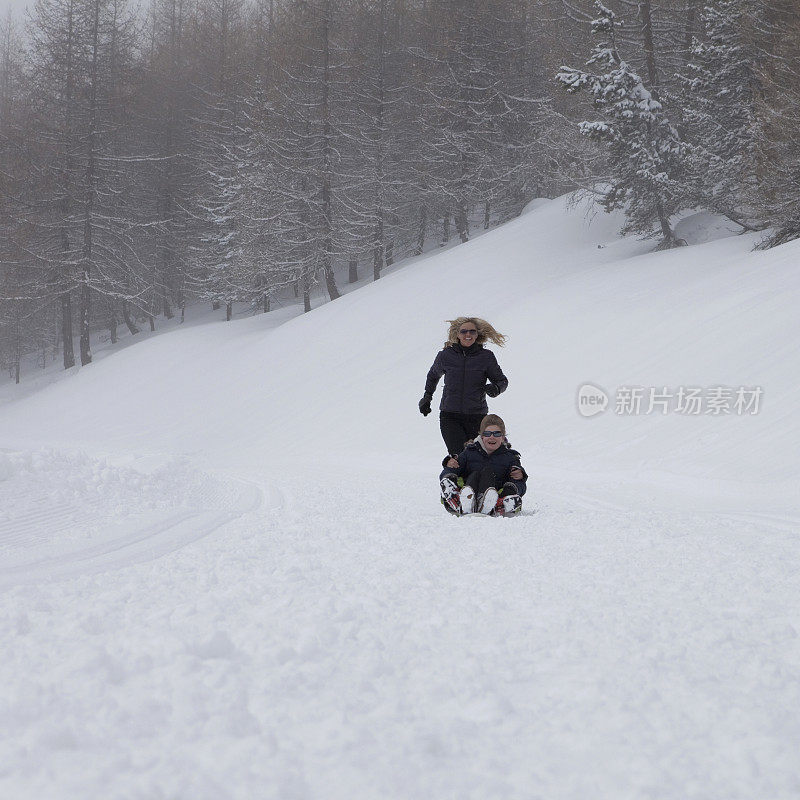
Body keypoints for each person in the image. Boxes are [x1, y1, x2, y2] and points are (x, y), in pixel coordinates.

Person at [419, 317, 509, 456]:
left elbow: (502, 381)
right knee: (458, 455)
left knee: (476, 457)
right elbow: (433, 375)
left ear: (477, 335)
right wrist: (427, 397)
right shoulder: (446, 355)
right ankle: (456, 478)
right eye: (464, 331)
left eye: (472, 332)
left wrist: (496, 388)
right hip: (450, 415)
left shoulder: (486, 357)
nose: (468, 335)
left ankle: (472, 478)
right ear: (457, 334)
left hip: (477, 416)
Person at [439, 414, 527, 516]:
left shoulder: (510, 457)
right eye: (487, 433)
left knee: (488, 473)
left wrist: (514, 485)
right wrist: (448, 473)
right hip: (469, 492)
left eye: (497, 434)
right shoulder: (469, 453)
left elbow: (519, 483)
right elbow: (451, 469)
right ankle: (461, 501)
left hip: (494, 496)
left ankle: (494, 504)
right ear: (482, 436)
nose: (492, 437)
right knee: (475, 474)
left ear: (503, 437)